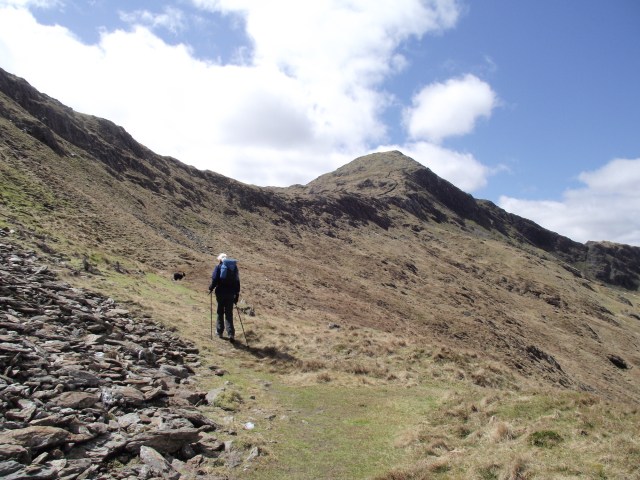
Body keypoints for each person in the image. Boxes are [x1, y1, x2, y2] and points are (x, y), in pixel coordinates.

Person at [208, 253, 240, 341]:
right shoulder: (234, 268)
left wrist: (211, 288)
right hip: (231, 294)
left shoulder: (218, 267)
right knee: (229, 313)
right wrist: (236, 294)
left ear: (220, 260)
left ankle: (219, 332)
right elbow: (237, 282)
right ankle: (231, 334)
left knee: (220, 312)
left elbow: (215, 279)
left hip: (220, 293)